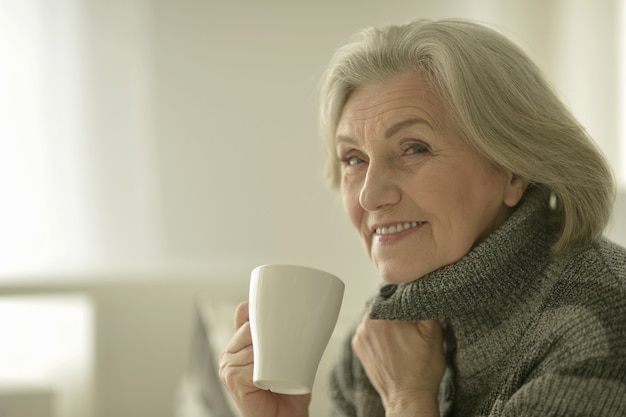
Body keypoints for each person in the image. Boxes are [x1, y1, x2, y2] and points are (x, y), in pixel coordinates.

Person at [218, 18, 626, 416]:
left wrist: (407, 400)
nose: (370, 194)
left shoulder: (604, 321)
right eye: (354, 159)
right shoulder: (376, 340)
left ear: (513, 169)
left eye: (414, 148)